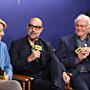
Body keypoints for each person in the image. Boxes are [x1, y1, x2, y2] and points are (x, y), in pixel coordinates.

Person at [9, 17, 70, 90]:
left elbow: (56, 61)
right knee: (54, 86)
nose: (33, 30)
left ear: (41, 29)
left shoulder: (45, 44)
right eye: (31, 26)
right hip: (29, 78)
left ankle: (57, 87)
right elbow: (13, 66)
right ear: (27, 27)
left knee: (54, 63)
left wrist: (63, 72)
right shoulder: (17, 44)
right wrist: (29, 58)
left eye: (37, 27)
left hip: (44, 75)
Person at [56, 14, 90, 90]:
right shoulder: (65, 41)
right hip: (75, 73)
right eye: (77, 25)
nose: (79, 28)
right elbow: (59, 61)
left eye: (82, 26)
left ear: (88, 28)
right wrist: (77, 59)